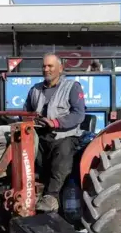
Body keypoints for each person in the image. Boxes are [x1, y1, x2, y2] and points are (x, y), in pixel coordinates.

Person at [23, 53, 86, 212]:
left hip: (65, 134)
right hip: (41, 135)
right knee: (25, 152)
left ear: (60, 68)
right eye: (44, 66)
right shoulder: (35, 90)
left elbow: (79, 114)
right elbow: (26, 112)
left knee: (62, 152)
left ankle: (51, 197)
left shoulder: (72, 87)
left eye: (50, 66)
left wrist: (56, 122)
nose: (46, 69)